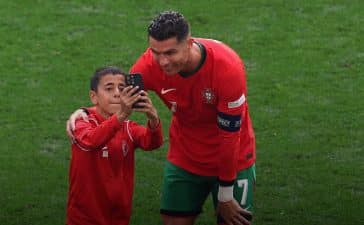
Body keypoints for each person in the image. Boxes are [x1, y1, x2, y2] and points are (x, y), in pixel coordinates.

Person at [67, 11, 256, 225]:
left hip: (234, 159)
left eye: (170, 52)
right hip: (185, 159)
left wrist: (225, 194)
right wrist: (84, 112)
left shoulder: (227, 68)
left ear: (189, 43)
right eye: (155, 52)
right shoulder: (147, 66)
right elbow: (115, 95)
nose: (163, 61)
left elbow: (230, 137)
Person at [66, 66, 163, 225]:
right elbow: (91, 140)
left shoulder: (128, 128)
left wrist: (153, 118)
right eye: (109, 88)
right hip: (84, 219)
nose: (117, 93)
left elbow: (153, 143)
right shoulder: (81, 123)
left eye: (122, 88)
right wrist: (122, 114)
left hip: (119, 218)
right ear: (94, 97)